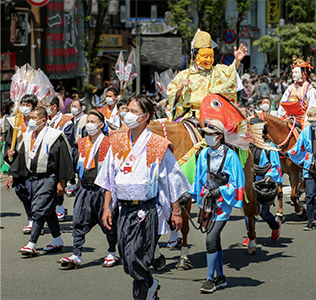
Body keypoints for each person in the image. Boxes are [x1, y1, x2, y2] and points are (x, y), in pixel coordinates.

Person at [96, 95, 190, 300]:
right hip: (123, 209)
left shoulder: (157, 144)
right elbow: (109, 177)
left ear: (145, 116)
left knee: (137, 257)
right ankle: (150, 284)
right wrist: (106, 207)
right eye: (126, 110)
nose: (127, 115)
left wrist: (175, 211)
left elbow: (170, 180)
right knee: (126, 259)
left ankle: (144, 292)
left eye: (133, 111)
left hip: (146, 209)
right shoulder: (118, 140)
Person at [178, 119, 245, 293]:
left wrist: (221, 190)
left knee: (210, 240)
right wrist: (188, 194)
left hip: (222, 204)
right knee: (215, 241)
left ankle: (209, 279)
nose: (206, 137)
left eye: (210, 134)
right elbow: (198, 180)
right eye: (205, 134)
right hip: (207, 204)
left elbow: (237, 183)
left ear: (220, 136)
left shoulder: (231, 156)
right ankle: (221, 277)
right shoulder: (203, 154)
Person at [5, 106, 74, 255]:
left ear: (43, 120)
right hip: (33, 178)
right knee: (48, 211)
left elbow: (63, 159)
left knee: (38, 209)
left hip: (49, 178)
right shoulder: (29, 136)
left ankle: (32, 243)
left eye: (34, 118)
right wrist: (12, 174)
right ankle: (57, 239)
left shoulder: (55, 136)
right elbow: (22, 157)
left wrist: (62, 181)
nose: (30, 121)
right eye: (29, 118)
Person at [57, 110, 118, 269]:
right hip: (85, 188)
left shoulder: (108, 143)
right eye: (88, 121)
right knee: (78, 220)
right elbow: (75, 164)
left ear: (101, 125)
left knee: (108, 223)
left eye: (93, 121)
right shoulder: (82, 142)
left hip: (102, 190)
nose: (89, 125)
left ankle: (112, 252)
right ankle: (76, 255)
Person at [167, 30, 247, 120]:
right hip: (189, 115)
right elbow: (171, 93)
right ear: (195, 57)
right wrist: (180, 89)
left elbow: (231, 73)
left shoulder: (217, 71)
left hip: (213, 115)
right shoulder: (184, 75)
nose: (209, 60)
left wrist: (237, 61)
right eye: (205, 56)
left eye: (211, 56)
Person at [242, 117, 282, 246]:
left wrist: (269, 176)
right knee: (248, 211)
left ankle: (275, 226)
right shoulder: (245, 146)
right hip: (249, 182)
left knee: (264, 213)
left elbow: (275, 166)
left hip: (264, 183)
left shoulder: (269, 146)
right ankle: (251, 236)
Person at [4, 94, 38, 233]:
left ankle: (35, 221)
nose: (25, 107)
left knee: (33, 192)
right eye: (23, 104)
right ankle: (31, 218)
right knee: (21, 191)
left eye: (28, 105)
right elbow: (8, 143)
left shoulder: (38, 122)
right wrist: (8, 153)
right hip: (19, 162)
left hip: (34, 161)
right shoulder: (15, 123)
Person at [46, 97, 74, 221]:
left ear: (55, 106)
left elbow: (68, 140)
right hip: (45, 157)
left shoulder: (66, 121)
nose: (47, 108)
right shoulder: (43, 120)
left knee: (59, 184)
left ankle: (61, 208)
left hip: (60, 156)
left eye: (48, 105)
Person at [277, 57, 316, 127]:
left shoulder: (310, 90)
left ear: (304, 74)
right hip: (289, 118)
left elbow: (313, 107)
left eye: (296, 73)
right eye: (293, 72)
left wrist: (307, 121)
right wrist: (278, 118)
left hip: (303, 120)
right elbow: (282, 106)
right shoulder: (290, 88)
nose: (294, 75)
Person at [66, 98, 88, 196]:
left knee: (80, 167)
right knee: (71, 165)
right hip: (73, 146)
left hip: (82, 146)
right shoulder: (71, 119)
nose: (73, 109)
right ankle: (74, 184)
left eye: (75, 106)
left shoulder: (85, 118)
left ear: (81, 108)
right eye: (72, 106)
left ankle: (80, 187)